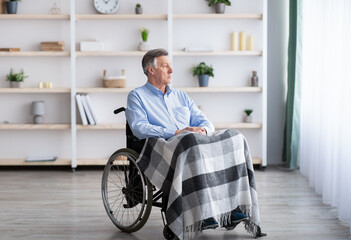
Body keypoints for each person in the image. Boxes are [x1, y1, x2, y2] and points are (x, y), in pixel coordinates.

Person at [125, 48, 250, 230]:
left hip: (193, 141)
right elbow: (139, 127)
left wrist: (203, 131)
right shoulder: (137, 96)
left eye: (170, 66)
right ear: (151, 70)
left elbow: (204, 121)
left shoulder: (180, 96)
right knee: (190, 142)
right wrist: (176, 132)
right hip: (164, 146)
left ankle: (231, 208)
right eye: (165, 66)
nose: (171, 70)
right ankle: (203, 213)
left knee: (235, 137)